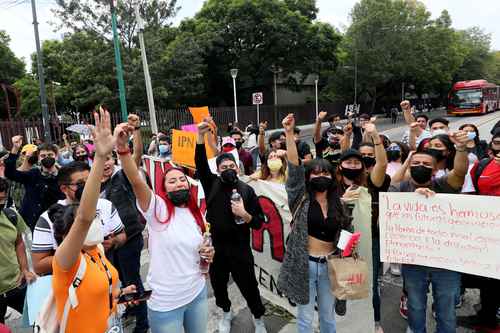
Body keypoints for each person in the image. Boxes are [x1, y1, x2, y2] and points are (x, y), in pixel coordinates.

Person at [113, 121, 214, 333]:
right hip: (166, 303)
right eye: (172, 181)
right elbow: (137, 182)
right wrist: (123, 149)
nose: (179, 183)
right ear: (163, 190)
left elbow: (202, 246)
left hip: (197, 293)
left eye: (182, 180)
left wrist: (208, 252)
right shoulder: (157, 210)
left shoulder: (195, 212)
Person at [51, 109, 136, 333]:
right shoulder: (66, 261)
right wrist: (99, 157)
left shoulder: (96, 251)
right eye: (90, 223)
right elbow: (85, 216)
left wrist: (119, 296)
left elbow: (96, 292)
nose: (95, 223)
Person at [389, 130, 469, 333]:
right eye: (416, 164)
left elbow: (459, 173)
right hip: (414, 263)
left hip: (446, 262)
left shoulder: (443, 185)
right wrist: (412, 200)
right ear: (409, 167)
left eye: (426, 165)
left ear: (435, 170)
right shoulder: (399, 189)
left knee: (447, 312)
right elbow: (388, 217)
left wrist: (460, 148)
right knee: (415, 308)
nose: (420, 167)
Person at [277, 113, 350, 333]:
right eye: (316, 173)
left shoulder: (341, 205)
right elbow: (293, 168)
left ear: (333, 177)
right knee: (305, 318)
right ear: (308, 178)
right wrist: (289, 134)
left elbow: (346, 235)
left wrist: (348, 246)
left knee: (327, 317)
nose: (321, 177)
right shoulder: (300, 198)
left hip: (330, 266)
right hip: (304, 264)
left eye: (326, 173)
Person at [195, 121, 267, 333]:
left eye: (231, 166)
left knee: (249, 286)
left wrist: (245, 215)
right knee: (218, 285)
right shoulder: (212, 185)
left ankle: (258, 317)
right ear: (217, 170)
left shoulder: (247, 190)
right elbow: (199, 162)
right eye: (223, 167)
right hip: (217, 248)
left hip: (240, 248)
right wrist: (200, 137)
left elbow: (259, 222)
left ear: (238, 167)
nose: (228, 169)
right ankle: (226, 312)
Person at [335, 121, 389, 333]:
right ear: (340, 165)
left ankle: (374, 321)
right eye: (348, 162)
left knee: (369, 281)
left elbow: (382, 167)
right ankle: (343, 317)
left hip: (369, 239)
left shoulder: (370, 182)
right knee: (342, 279)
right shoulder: (334, 184)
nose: (353, 165)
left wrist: (375, 137)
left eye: (357, 163)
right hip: (340, 239)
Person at [100, 114, 150, 333]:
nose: (107, 164)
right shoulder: (90, 187)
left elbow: (137, 154)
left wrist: (136, 129)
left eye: (110, 159)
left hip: (129, 238)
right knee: (117, 280)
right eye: (102, 161)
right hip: (107, 245)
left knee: (132, 278)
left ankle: (142, 322)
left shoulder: (122, 177)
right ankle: (129, 308)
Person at [31, 161, 126, 276]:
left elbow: (122, 235)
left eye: (90, 181)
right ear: (64, 189)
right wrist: (80, 253)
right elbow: (39, 266)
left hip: (107, 279)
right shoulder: (48, 219)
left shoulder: (105, 206)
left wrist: (113, 241)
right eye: (80, 184)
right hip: (72, 288)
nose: (87, 187)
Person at [459, 128, 500, 330]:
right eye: (498, 143)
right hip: (487, 233)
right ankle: (488, 317)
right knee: (488, 279)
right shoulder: (483, 165)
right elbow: (469, 194)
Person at [4, 138, 65, 230]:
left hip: (55, 223)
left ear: (56, 156)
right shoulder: (33, 174)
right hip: (30, 223)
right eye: (43, 156)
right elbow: (10, 174)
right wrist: (15, 149)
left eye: (50, 155)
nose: (47, 158)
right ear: (38, 158)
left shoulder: (64, 176)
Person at [0, 177, 37, 323]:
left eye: (2, 198)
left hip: (15, 284)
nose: (0, 202)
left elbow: (19, 242)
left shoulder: (11, 216)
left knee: (35, 320)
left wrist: (25, 269)